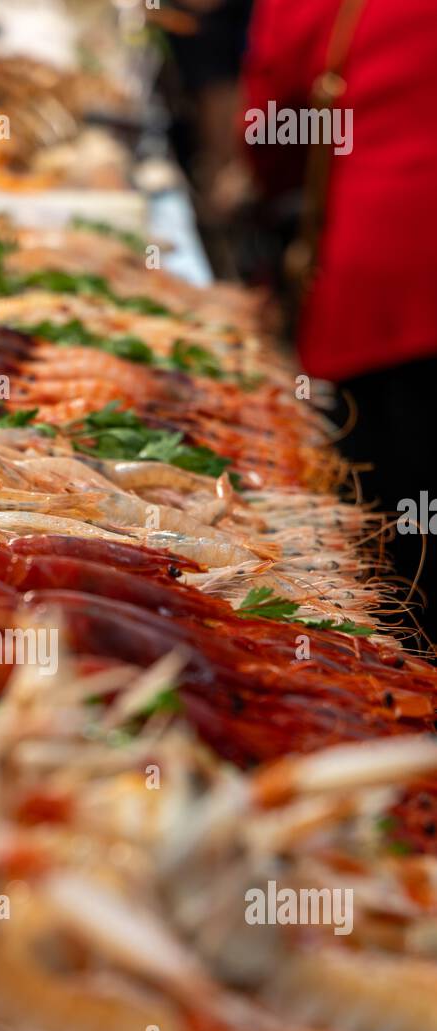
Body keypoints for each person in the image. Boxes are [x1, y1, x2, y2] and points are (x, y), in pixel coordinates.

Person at [242, 0, 437, 640]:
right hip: (395, 287)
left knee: (391, 525)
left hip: (387, 284)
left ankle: (404, 672)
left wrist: (258, 188)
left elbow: (271, 124)